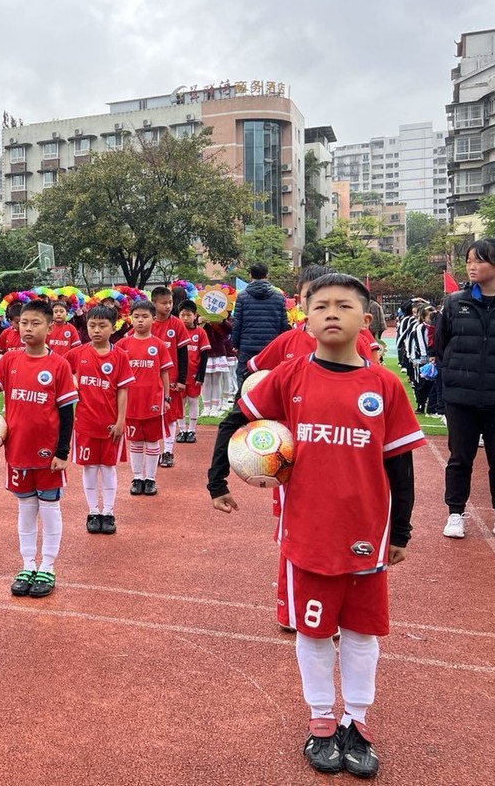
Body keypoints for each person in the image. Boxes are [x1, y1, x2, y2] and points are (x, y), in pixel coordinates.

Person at [206, 273, 425, 778]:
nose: (331, 312)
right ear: (305, 315)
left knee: (362, 633)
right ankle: (322, 721)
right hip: (306, 532)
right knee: (312, 629)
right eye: (320, 304)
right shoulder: (290, 377)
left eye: (343, 305)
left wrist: (403, 532)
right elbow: (236, 421)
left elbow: (400, 466)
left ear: (364, 322)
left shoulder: (384, 386)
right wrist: (219, 478)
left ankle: (358, 722)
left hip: (367, 534)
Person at [0, 299, 77, 598]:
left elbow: (67, 412)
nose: (28, 328)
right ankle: (27, 563)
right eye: (23, 323)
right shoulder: (9, 362)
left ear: (50, 327)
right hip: (16, 451)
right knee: (26, 508)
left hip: (48, 453)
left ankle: (48, 567)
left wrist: (63, 451)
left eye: (35, 323)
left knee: (50, 508)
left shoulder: (59, 365)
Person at [433, 237, 495, 542]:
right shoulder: (456, 302)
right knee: (460, 458)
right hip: (462, 396)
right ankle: (455, 512)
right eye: (469, 260)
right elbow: (441, 344)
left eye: (479, 260)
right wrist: (454, 376)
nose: (472, 266)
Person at [67, 305, 132, 535]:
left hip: (111, 425)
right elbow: (60, 371)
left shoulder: (120, 356)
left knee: (108, 467)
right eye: (92, 325)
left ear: (113, 327)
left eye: (102, 326)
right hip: (84, 423)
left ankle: (109, 512)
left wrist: (121, 421)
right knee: (90, 469)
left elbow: (123, 390)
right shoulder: (78, 353)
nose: (96, 330)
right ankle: (93, 511)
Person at [247, 266, 379, 374]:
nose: (330, 312)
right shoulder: (286, 340)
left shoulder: (358, 339)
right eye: (310, 297)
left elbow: (373, 373)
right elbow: (256, 371)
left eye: (341, 304)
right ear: (299, 299)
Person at [117, 300, 173, 496]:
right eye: (136, 316)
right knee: (135, 441)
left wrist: (167, 398)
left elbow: (164, 373)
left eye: (144, 316)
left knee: (152, 441)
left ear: (153, 319)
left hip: (153, 401)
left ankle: (150, 479)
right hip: (130, 402)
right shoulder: (123, 344)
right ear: (130, 318)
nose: (140, 320)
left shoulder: (158, 345)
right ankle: (137, 478)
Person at [230, 261, 289, 385]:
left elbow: (237, 323)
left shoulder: (242, 296)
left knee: (245, 380)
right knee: (269, 381)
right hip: (271, 347)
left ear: (250, 275)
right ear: (267, 275)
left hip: (247, 346)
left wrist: (234, 344)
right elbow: (284, 324)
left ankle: (244, 403)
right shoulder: (278, 296)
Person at [150, 286, 188, 467]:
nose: (168, 306)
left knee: (171, 416)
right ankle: (155, 451)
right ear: (154, 303)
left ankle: (168, 451)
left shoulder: (177, 324)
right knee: (153, 416)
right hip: (150, 381)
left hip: (171, 380)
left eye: (170, 303)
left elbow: (183, 353)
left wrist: (181, 379)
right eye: (164, 303)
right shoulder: (147, 323)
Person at [176, 300, 210, 443]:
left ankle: (192, 430)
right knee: (180, 402)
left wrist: (201, 376)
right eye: (182, 315)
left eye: (188, 315)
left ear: (195, 315)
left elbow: (204, 355)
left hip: (194, 374)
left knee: (193, 401)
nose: (185, 318)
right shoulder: (176, 332)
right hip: (179, 376)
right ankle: (182, 430)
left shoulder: (200, 332)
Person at [202, 316, 233, 417]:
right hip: (205, 353)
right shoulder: (201, 314)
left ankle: (215, 407)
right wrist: (199, 322)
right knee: (206, 382)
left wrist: (221, 321)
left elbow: (229, 330)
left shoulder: (222, 316)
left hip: (218, 352)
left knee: (216, 381)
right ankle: (206, 407)